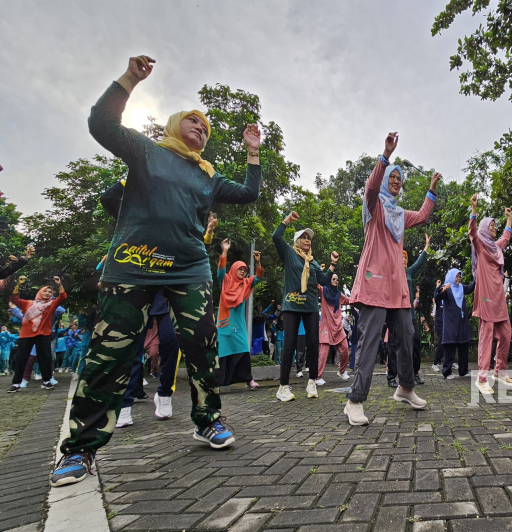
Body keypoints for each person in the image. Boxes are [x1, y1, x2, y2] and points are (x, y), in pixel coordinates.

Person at [51, 55, 262, 488]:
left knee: (202, 345)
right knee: (110, 352)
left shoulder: (208, 175)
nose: (201, 128)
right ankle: (79, 449)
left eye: (206, 127)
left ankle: (208, 420)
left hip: (189, 268)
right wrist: (130, 79)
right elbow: (101, 124)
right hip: (133, 263)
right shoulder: (147, 152)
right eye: (194, 122)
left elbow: (248, 193)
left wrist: (253, 152)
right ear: (172, 124)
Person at [344, 133, 441, 426]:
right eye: (393, 177)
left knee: (408, 336)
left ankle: (405, 388)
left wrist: (431, 190)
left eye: (400, 178)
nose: (397, 181)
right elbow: (371, 186)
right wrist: (385, 156)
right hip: (374, 283)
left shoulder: (399, 213)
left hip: (397, 287)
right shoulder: (374, 206)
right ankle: (354, 401)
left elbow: (423, 215)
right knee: (370, 341)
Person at [272, 211, 338, 402]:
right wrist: (287, 220)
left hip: (310, 306)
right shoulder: (289, 253)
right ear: (297, 241)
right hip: (292, 305)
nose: (307, 240)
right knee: (290, 344)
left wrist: (332, 265)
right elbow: (276, 236)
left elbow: (324, 280)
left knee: (313, 344)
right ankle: (283, 386)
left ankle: (312, 382)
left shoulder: (313, 262)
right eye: (304, 237)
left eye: (309, 238)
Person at [469, 193, 512, 394]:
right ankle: (481, 378)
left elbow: (506, 236)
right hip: (486, 297)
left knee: (506, 333)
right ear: (484, 230)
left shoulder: (496, 249)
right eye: (492, 226)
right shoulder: (480, 246)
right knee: (486, 337)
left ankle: (500, 371)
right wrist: (474, 210)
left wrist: (509, 218)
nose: (495, 229)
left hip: (498, 298)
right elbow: (472, 233)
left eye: (496, 226)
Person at [216, 239, 263, 390]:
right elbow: (221, 269)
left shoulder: (245, 284)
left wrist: (258, 263)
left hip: (239, 325)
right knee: (224, 353)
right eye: (240, 269)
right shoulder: (226, 281)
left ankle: (248, 379)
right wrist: (224, 251)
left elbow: (259, 277)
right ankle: (218, 382)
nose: (243, 272)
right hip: (225, 324)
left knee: (243, 349)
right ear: (234, 269)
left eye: (245, 269)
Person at [8, 275, 66, 392]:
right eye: (45, 291)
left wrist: (59, 284)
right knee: (21, 359)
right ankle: (16, 383)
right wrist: (18, 285)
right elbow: (14, 299)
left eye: (50, 292)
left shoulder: (51, 304)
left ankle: (46, 381)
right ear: (40, 293)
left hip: (43, 334)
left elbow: (63, 297)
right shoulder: (28, 303)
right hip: (26, 334)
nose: (48, 294)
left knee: (45, 358)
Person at [387, 236, 430, 386]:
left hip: (410, 315)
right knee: (393, 346)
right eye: (401, 258)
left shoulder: (409, 273)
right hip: (395, 314)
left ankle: (414, 373)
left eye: (405, 258)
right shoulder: (392, 273)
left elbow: (419, 262)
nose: (404, 260)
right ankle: (391, 376)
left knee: (416, 343)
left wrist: (426, 247)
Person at [435, 269, 475, 379]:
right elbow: (437, 298)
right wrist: (441, 289)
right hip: (450, 323)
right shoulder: (447, 288)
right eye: (456, 276)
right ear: (451, 277)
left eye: (459, 276)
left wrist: (477, 276)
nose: (458, 279)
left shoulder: (461, 287)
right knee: (450, 347)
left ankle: (463, 370)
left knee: (463, 346)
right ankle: (447, 372)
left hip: (462, 322)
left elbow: (471, 287)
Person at [317, 273, 351, 383]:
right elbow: (314, 284)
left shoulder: (339, 294)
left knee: (345, 349)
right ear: (329, 280)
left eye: (337, 279)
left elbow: (348, 300)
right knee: (323, 352)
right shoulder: (323, 290)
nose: (336, 281)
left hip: (338, 326)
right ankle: (318, 377)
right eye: (333, 279)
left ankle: (341, 371)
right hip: (326, 326)